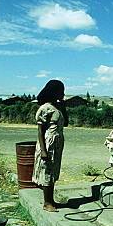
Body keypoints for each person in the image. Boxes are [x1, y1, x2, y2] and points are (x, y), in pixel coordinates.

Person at [32, 79, 68, 211]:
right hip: (48, 144)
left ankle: (51, 200)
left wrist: (63, 106)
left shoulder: (57, 108)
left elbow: (66, 123)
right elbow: (40, 131)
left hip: (57, 144)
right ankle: (47, 203)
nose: (63, 94)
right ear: (54, 92)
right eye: (60, 91)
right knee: (46, 171)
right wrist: (43, 150)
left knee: (52, 172)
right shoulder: (45, 108)